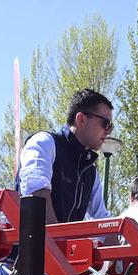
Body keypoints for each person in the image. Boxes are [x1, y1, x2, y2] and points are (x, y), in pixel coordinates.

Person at [15, 88, 114, 224]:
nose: (108, 131)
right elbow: (35, 192)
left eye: (111, 126)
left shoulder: (90, 171)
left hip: (58, 244)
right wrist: (57, 242)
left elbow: (102, 219)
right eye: (106, 124)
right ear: (81, 119)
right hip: (29, 244)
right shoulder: (45, 143)